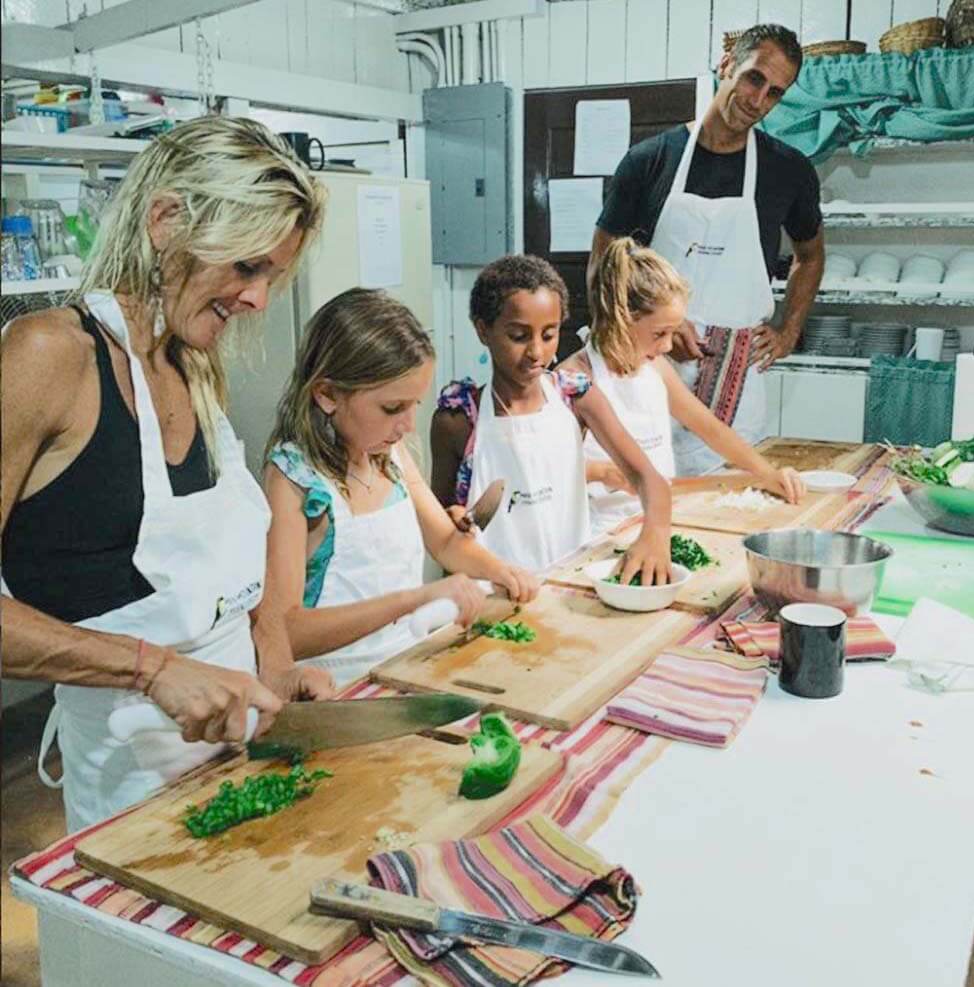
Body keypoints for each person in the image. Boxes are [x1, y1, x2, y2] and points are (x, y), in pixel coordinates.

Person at [1, 116, 333, 832]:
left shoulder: (193, 363)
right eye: (246, 266)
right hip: (129, 792)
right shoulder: (49, 356)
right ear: (165, 221)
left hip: (236, 758)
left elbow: (229, 586)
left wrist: (274, 672)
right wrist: (152, 668)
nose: (258, 301)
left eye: (270, 275)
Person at [263, 288, 540, 687]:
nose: (409, 425)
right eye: (393, 408)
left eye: (415, 405)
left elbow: (445, 543)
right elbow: (286, 631)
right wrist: (416, 599)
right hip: (335, 689)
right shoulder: (294, 480)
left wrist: (503, 571)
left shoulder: (389, 456)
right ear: (326, 395)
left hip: (406, 669)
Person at [590, 23, 825, 476]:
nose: (758, 101)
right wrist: (641, 329)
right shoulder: (650, 160)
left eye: (775, 92)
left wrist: (788, 329)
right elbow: (604, 260)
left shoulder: (788, 170)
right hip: (650, 363)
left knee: (732, 498)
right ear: (726, 66)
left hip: (740, 371)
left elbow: (811, 255)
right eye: (754, 78)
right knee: (639, 486)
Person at [431, 254, 673, 583]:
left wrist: (655, 534)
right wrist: (454, 522)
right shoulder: (458, 420)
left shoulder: (576, 398)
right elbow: (439, 529)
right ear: (483, 330)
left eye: (549, 335)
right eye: (518, 336)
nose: (536, 352)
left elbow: (651, 480)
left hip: (569, 586)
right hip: (491, 596)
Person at [566, 238, 804, 534]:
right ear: (621, 318)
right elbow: (547, 470)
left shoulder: (654, 368)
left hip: (662, 520)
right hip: (602, 530)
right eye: (659, 333)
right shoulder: (574, 379)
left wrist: (767, 473)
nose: (667, 346)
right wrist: (601, 472)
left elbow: (710, 428)